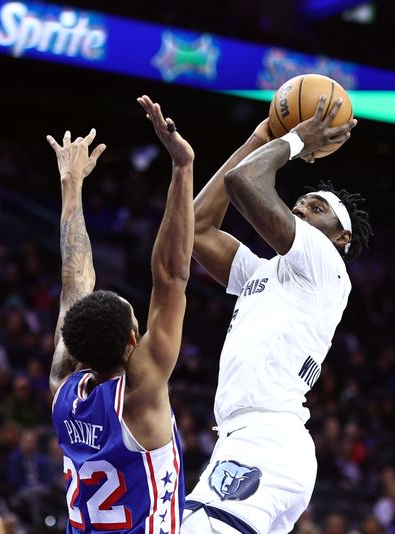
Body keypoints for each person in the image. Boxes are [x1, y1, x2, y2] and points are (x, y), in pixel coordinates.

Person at [182, 96, 372, 533]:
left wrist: (291, 139)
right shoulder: (266, 271)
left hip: (267, 440)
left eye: (317, 208)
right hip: (247, 441)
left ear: (341, 235)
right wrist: (259, 136)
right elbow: (195, 229)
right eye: (302, 201)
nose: (302, 208)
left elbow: (245, 181)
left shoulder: (325, 264)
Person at [46, 94, 193, 532]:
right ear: (134, 341)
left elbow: (75, 281)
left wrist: (71, 185)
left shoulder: (62, 386)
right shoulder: (141, 391)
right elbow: (171, 275)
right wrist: (182, 168)